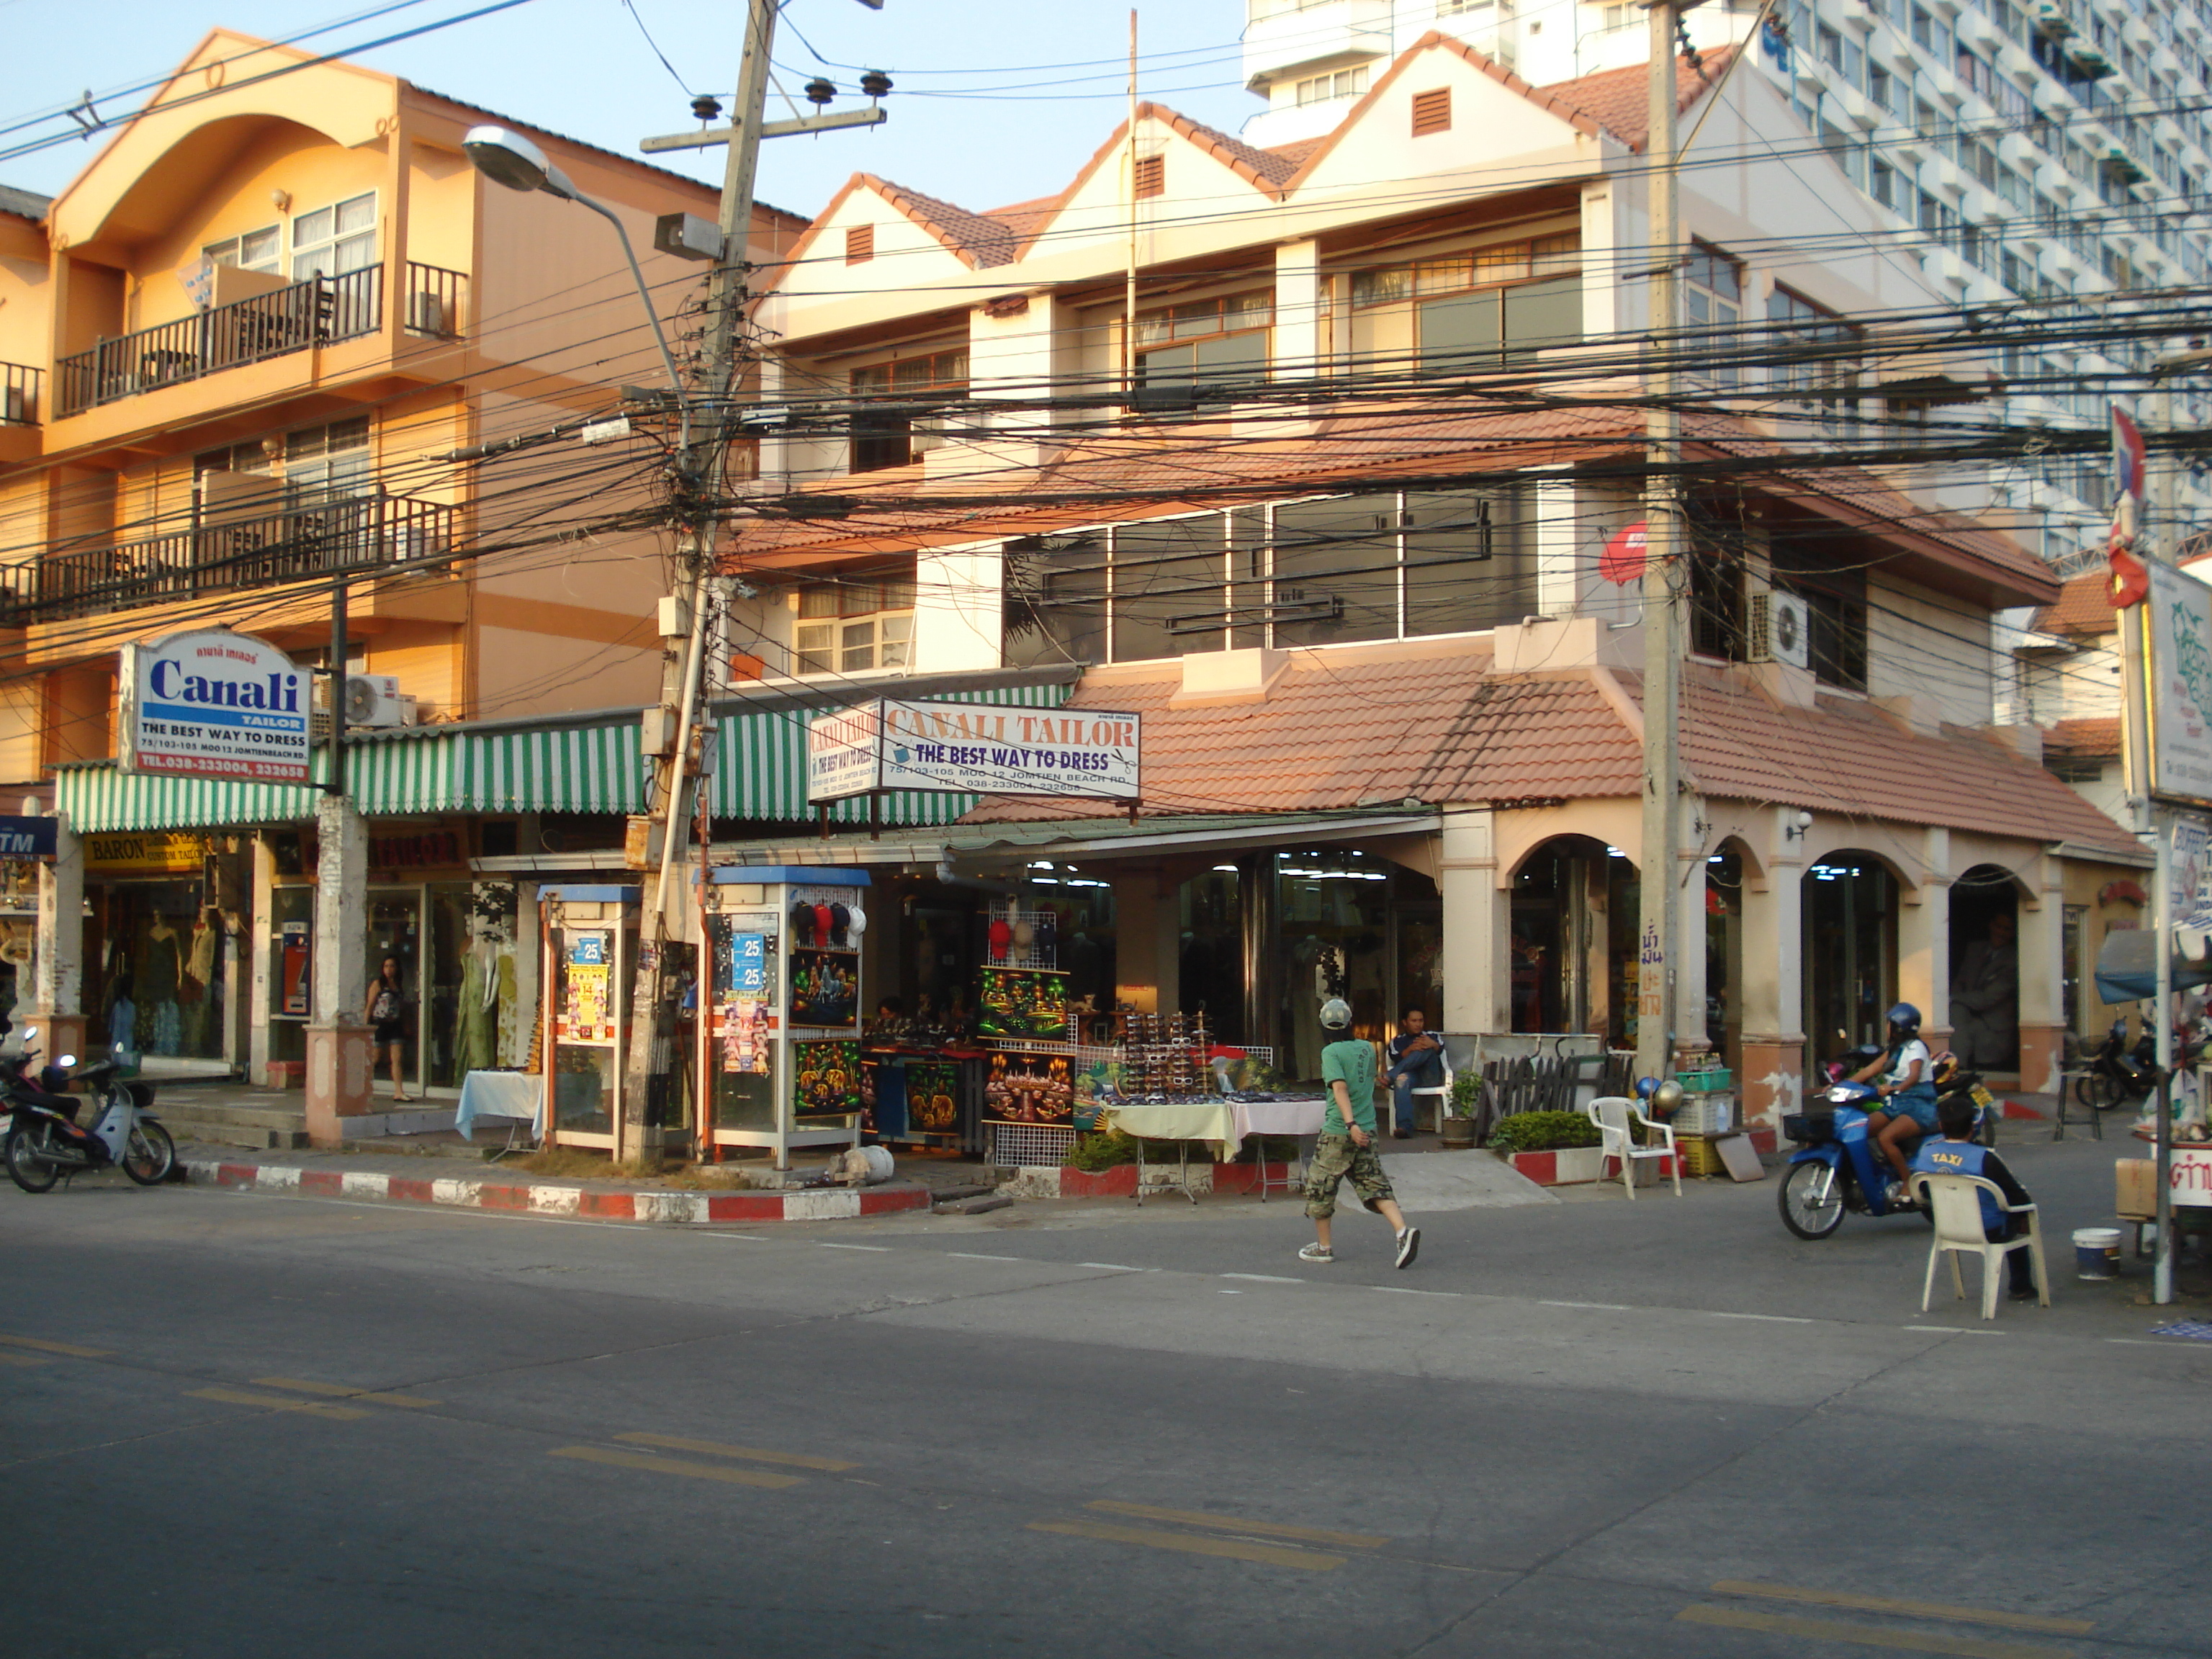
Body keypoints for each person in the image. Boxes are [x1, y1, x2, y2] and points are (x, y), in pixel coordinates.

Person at [1301, 998, 1420, 1268]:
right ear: (1349, 1023)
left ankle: (1324, 1247)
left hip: (1340, 1130)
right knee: (1373, 1182)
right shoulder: (1366, 1048)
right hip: (1368, 1128)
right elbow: (1368, 1080)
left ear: (1323, 1026)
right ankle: (1402, 1232)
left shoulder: (1330, 1053)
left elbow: (1340, 1088)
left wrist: (1349, 1125)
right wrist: (1358, 1126)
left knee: (1321, 1187)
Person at [1910, 1094, 2041, 1302]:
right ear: (1972, 1127)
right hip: (1989, 1230)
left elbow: (1924, 1194)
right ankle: (2020, 1287)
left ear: (1941, 1126)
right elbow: (2017, 1196)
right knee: (2021, 1217)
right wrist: (2024, 1212)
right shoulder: (1985, 1157)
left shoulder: (1925, 1154)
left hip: (1946, 1227)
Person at [1850, 1002, 1938, 1200]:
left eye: (1890, 1023)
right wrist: (1841, 1086)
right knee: (1857, 1130)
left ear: (1899, 1027)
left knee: (1885, 1138)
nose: (1887, 1027)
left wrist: (1896, 1088)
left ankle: (1908, 1182)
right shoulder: (1895, 1049)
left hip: (1918, 1106)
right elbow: (1868, 1071)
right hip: (1895, 1104)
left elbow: (1913, 1076)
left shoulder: (1916, 1048)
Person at [1948, 912, 2018, 1070]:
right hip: (1965, 1020)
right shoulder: (1975, 948)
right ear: (1991, 925)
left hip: (1992, 1030)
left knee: (1956, 1006)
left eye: (2006, 929)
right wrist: (1956, 999)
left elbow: (1987, 999)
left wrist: (1954, 998)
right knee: (1956, 1010)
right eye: (1998, 926)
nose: (2000, 932)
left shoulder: (2014, 958)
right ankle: (1956, 1069)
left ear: (2013, 933)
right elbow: (1960, 981)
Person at [1384, 1006, 1446, 1138]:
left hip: (1431, 1076)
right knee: (1401, 1080)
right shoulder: (1397, 1041)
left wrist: (1432, 1045)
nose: (1418, 1024)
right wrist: (1411, 1049)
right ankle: (1405, 1128)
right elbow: (1397, 1058)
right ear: (1405, 1022)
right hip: (1411, 1077)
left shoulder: (1432, 1036)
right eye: (1414, 1021)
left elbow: (1440, 1049)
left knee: (1428, 1049)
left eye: (1421, 1021)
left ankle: (1391, 1076)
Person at [364, 956, 411, 1102]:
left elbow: (402, 1006)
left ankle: (399, 1091)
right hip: (380, 1023)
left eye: (392, 966)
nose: (389, 970)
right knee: (375, 1058)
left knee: (397, 1059)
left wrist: (406, 1023)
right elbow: (370, 1005)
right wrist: (366, 1025)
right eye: (386, 966)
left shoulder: (398, 985)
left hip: (395, 1023)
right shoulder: (378, 984)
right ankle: (363, 1086)